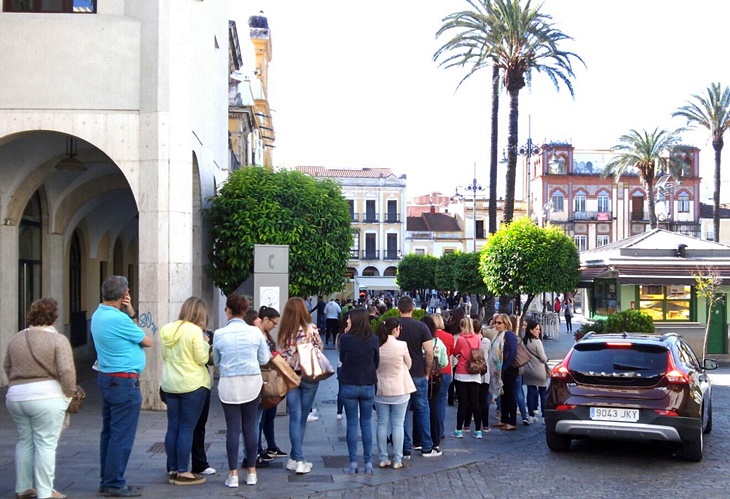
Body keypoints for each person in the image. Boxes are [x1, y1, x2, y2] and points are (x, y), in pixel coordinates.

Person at [4, 297, 75, 499]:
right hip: (47, 396)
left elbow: (7, 366)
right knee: (46, 444)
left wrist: (17, 383)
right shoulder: (58, 340)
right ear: (54, 316)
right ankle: (45, 492)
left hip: (16, 397)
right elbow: (66, 370)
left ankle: (23, 488)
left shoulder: (17, 338)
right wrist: (69, 394)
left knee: (25, 441)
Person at [91, 275, 152, 497]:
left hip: (108, 378)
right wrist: (132, 312)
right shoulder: (119, 319)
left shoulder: (98, 315)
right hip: (124, 381)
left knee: (108, 432)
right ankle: (115, 483)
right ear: (124, 294)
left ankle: (106, 480)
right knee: (121, 435)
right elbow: (147, 340)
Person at [213, 293, 271, 488]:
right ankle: (252, 472)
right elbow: (264, 359)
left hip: (229, 383)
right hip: (251, 383)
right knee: (250, 427)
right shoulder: (255, 333)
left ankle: (233, 474)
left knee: (233, 429)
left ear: (228, 310)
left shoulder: (219, 334)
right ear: (245, 311)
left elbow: (217, 361)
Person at [160, 297, 211, 486]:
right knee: (187, 428)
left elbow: (165, 356)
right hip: (193, 384)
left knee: (173, 427)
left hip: (171, 383)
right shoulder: (195, 332)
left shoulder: (168, 329)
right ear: (199, 314)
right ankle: (183, 471)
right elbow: (202, 358)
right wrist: (205, 342)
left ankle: (173, 469)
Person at [278, 297, 323, 474]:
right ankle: (299, 459)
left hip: (291, 377)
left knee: (295, 416)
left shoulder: (284, 331)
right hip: (309, 376)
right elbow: (319, 348)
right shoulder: (311, 329)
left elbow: (281, 355)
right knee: (302, 417)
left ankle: (294, 457)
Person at [397, 296, 442, 458]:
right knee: (423, 409)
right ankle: (427, 446)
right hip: (417, 372)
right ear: (413, 309)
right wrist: (427, 371)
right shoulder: (421, 326)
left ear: (398, 309)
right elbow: (429, 353)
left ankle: (405, 448)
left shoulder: (393, 325)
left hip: (399, 374)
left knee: (401, 412)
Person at [339, 308, 380, 474]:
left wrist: (346, 333)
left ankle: (353, 462)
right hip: (368, 383)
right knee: (366, 423)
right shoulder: (374, 339)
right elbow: (376, 362)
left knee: (352, 423)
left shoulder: (345, 338)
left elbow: (342, 358)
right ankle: (368, 462)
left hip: (349, 383)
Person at [374, 317, 415, 469]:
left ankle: (383, 457)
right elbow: (409, 363)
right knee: (398, 424)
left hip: (381, 388)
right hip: (400, 388)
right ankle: (398, 459)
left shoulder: (377, 344)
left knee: (382, 423)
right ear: (395, 329)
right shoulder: (401, 345)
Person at [256, 306, 288, 460]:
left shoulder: (266, 336)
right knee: (260, 418)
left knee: (269, 414)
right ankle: (258, 449)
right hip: (263, 379)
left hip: (270, 379)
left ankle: (271, 446)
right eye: (274, 323)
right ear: (265, 319)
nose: (275, 326)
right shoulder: (257, 335)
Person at [450, 317, 484, 439]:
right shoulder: (478, 338)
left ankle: (459, 429)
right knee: (475, 402)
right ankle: (478, 430)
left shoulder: (460, 339)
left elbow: (455, 352)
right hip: (475, 372)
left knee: (463, 402)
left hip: (462, 372)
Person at [420, 316, 448, 451]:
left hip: (420, 376)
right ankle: (435, 438)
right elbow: (444, 363)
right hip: (435, 378)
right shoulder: (439, 343)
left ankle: (419, 439)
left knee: (420, 407)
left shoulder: (419, 342)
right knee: (434, 406)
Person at [489, 313, 518, 431]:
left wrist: (504, 367)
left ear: (506, 324)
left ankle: (512, 421)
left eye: (499, 323)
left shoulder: (509, 335)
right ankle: (504, 419)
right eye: (495, 322)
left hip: (508, 370)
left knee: (510, 395)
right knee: (503, 395)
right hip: (500, 370)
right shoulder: (498, 335)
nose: (497, 325)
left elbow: (512, 352)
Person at [431, 313, 454, 441]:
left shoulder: (429, 336)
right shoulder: (449, 337)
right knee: (441, 402)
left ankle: (432, 429)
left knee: (431, 402)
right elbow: (451, 352)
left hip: (432, 372)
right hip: (445, 371)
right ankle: (440, 430)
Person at [522, 320, 549, 423]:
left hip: (528, 370)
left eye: (539, 329)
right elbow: (543, 358)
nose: (538, 331)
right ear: (531, 330)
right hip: (539, 370)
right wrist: (547, 360)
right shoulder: (537, 342)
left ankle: (531, 415)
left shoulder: (524, 342)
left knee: (530, 392)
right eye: (536, 329)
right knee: (543, 392)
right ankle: (544, 416)